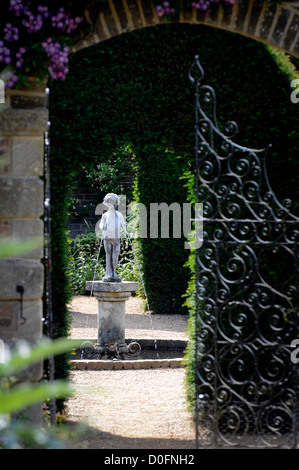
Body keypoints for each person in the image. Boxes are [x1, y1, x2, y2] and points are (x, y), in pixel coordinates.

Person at [99, 193, 126, 282]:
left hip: (116, 238)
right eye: (108, 202)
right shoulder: (105, 215)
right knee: (108, 255)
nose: (110, 204)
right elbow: (101, 224)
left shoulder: (119, 215)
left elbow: (123, 224)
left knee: (115, 256)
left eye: (112, 202)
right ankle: (109, 274)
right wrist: (103, 227)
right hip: (107, 238)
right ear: (106, 204)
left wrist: (126, 231)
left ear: (115, 203)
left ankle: (114, 272)